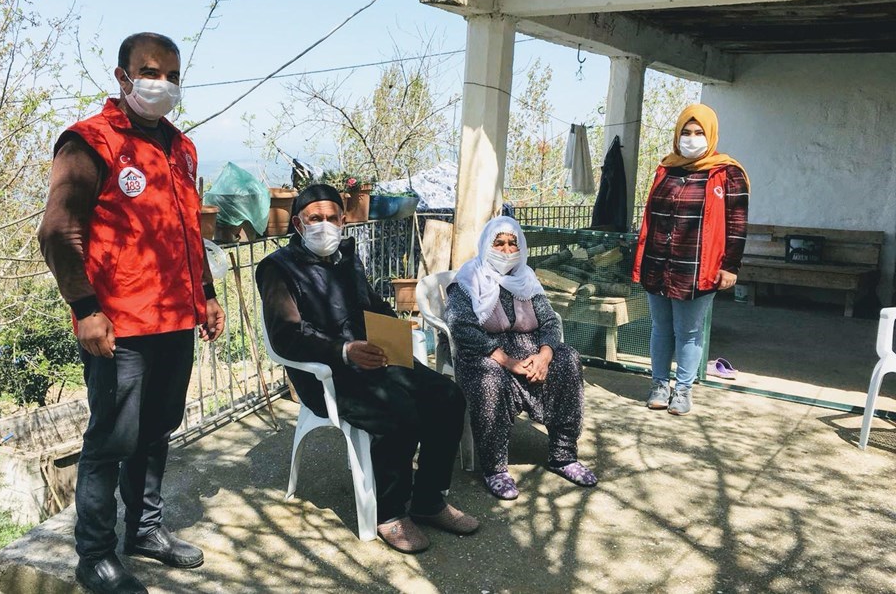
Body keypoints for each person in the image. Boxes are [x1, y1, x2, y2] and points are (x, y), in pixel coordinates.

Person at [38, 32, 225, 594]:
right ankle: (94, 555)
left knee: (157, 429)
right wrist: (86, 309)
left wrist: (208, 295)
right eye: (150, 71)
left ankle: (144, 530)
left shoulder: (181, 149)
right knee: (112, 439)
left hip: (175, 318)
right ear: (122, 76)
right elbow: (57, 231)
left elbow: (186, 233)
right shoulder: (90, 142)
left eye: (172, 75)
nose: (161, 83)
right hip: (118, 327)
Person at [256, 184, 478, 554]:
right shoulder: (277, 269)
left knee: (448, 395)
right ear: (298, 223)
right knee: (399, 410)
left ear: (343, 220)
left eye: (331, 218)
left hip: (374, 359)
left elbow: (369, 302)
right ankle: (390, 513)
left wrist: (392, 331)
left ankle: (429, 500)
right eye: (315, 219)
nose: (324, 226)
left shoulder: (347, 257)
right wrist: (343, 351)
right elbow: (286, 338)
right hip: (324, 374)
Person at [445, 216, 597, 501]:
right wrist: (508, 361)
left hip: (529, 349)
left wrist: (544, 356)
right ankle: (495, 468)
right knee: (489, 378)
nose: (505, 250)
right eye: (498, 243)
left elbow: (550, 322)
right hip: (485, 352)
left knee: (569, 359)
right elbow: (462, 328)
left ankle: (563, 455)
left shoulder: (526, 278)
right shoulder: (469, 279)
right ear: (486, 245)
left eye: (512, 244)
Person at [632, 103, 749, 416]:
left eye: (698, 132)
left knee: (689, 331)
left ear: (710, 135)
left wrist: (730, 266)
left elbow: (737, 224)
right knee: (660, 327)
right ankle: (659, 385)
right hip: (658, 261)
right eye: (686, 132)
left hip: (698, 266)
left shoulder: (728, 173)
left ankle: (682, 390)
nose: (692, 138)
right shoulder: (665, 169)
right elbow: (651, 218)